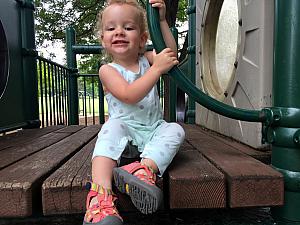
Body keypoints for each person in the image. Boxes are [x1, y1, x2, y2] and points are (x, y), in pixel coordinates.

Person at [83, 0, 185, 224]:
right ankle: (101, 196)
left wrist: (161, 21)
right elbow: (130, 95)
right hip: (125, 137)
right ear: (104, 40)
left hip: (153, 132)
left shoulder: (147, 60)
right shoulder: (107, 70)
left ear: (141, 39)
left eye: (128, 27)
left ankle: (142, 170)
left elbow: (169, 53)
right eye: (111, 28)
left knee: (175, 129)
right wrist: (157, 69)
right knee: (111, 128)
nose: (119, 31)